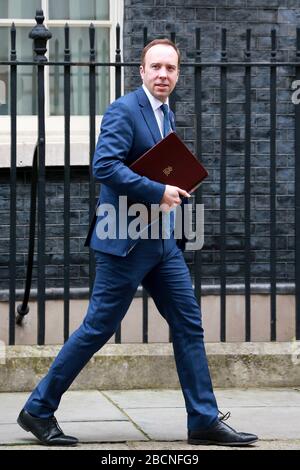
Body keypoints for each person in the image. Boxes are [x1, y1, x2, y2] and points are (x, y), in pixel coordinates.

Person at [17, 38, 258, 447]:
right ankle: (38, 410)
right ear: (142, 71)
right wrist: (156, 190)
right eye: (156, 67)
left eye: (170, 68)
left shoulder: (167, 114)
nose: (163, 74)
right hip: (123, 239)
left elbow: (156, 165)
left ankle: (202, 419)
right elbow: (104, 166)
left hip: (161, 242)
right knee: (98, 328)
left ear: (178, 74)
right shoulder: (124, 109)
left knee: (188, 322)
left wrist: (176, 187)